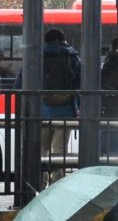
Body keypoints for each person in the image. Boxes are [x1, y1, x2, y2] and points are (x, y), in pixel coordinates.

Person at [20, 29, 81, 185]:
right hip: (66, 112)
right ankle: (56, 186)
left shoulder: (36, 56)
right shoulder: (73, 56)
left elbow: (19, 84)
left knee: (42, 150)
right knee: (59, 151)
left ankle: (39, 184)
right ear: (64, 39)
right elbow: (82, 83)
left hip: (41, 111)